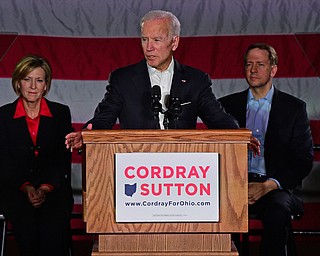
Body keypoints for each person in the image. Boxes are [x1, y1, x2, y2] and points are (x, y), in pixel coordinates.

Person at [65, 10, 239, 150]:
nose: (149, 48)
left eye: (156, 40)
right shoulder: (123, 79)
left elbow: (219, 120)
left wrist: (241, 136)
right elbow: (104, 118)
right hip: (136, 168)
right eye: (144, 39)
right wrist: (88, 134)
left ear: (174, 42)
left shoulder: (196, 80)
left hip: (182, 170)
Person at [219, 43, 314, 256]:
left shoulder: (294, 108)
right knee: (214, 208)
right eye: (249, 64)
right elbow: (216, 151)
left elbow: (303, 160)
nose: (253, 70)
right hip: (235, 185)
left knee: (277, 212)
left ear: (273, 70)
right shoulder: (225, 106)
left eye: (260, 64)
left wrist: (269, 185)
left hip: (276, 188)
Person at [0, 55, 74, 256]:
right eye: (27, 79)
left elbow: (63, 158)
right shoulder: (3, 116)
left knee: (53, 232)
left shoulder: (60, 113)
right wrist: (27, 188)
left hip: (53, 190)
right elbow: (3, 162)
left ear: (46, 85)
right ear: (17, 82)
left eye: (39, 80)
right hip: (16, 190)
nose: (33, 86)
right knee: (28, 232)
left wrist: (44, 188)